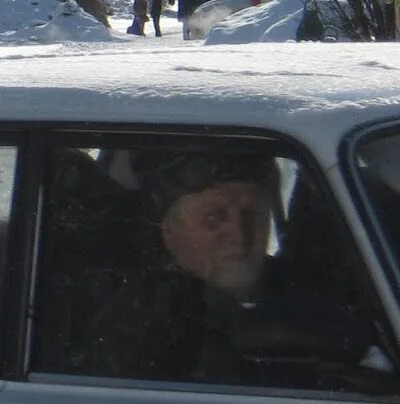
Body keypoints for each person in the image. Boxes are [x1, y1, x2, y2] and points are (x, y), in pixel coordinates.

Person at [87, 151, 281, 383]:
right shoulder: (140, 322)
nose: (239, 234)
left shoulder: (312, 299)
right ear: (169, 232)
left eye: (252, 215)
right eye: (213, 218)